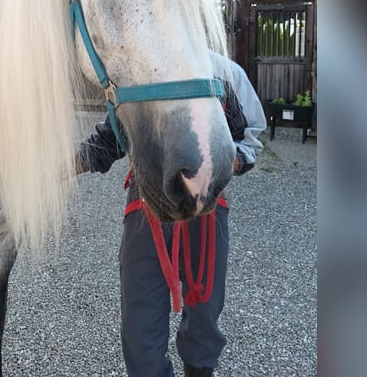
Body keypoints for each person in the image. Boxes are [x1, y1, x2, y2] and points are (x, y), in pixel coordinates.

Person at [76, 53, 266, 377]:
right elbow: (111, 140)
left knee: (205, 306)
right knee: (140, 314)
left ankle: (200, 369)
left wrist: (222, 166)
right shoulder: (138, 72)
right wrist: (61, 165)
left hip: (206, 202)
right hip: (147, 203)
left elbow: (248, 135)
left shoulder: (223, 73)